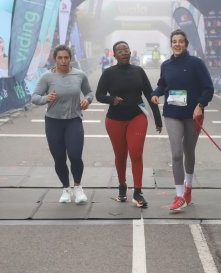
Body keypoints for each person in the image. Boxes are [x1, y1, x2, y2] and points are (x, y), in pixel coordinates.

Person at [151, 29, 214, 211]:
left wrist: (200, 105)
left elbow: (208, 88)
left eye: (180, 41)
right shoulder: (166, 65)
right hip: (172, 113)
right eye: (174, 41)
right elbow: (163, 84)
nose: (177, 44)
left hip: (193, 114)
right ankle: (179, 195)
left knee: (189, 152)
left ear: (186, 44)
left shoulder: (196, 63)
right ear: (171, 44)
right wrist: (156, 94)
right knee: (177, 153)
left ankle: (188, 187)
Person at [96, 41, 162, 208]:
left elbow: (150, 94)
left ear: (130, 52)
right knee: (120, 156)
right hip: (114, 120)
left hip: (136, 117)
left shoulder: (138, 71)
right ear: (115, 55)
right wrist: (112, 100)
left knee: (136, 153)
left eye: (126, 49)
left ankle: (138, 192)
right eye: (120, 50)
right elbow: (99, 95)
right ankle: (122, 186)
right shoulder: (109, 73)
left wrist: (157, 118)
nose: (124, 52)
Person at [31, 44, 93, 204]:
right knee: (59, 158)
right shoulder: (47, 77)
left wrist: (87, 100)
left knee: (75, 155)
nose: (63, 61)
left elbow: (89, 92)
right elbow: (34, 97)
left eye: (66, 57)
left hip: (74, 120)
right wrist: (46, 98)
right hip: (53, 122)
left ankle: (78, 187)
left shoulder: (79, 75)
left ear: (70, 58)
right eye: (60, 58)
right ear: (55, 59)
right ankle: (66, 189)